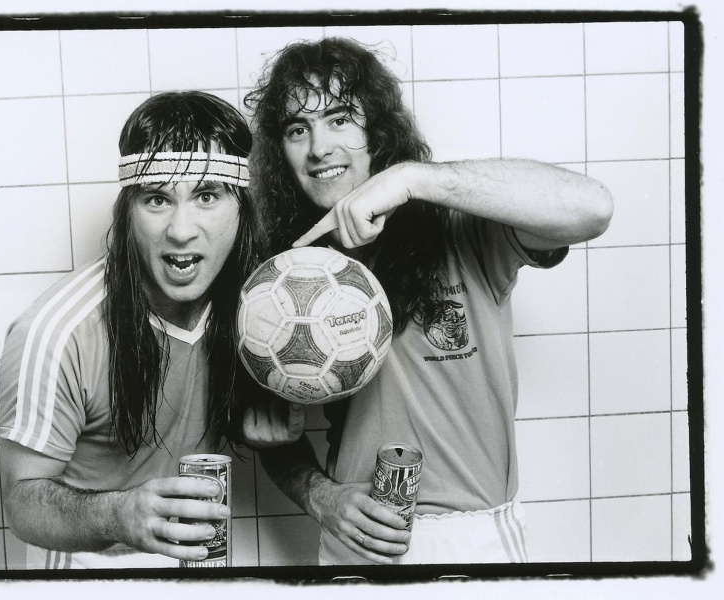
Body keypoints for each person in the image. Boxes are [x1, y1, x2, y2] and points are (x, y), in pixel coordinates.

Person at [242, 37, 613, 565]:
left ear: (378, 128)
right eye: (297, 129)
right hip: (358, 541)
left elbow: (593, 208)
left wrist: (413, 178)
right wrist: (319, 495)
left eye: (340, 119)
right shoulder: (280, 276)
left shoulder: (458, 227)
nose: (319, 147)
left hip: (472, 539)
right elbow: (268, 430)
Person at [0, 91, 298, 569]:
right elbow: (22, 505)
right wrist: (118, 515)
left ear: (241, 207)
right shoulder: (57, 333)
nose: (181, 230)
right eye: (157, 199)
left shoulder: (257, 307)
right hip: (88, 569)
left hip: (197, 561)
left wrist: (269, 424)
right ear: (128, 211)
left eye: (206, 196)